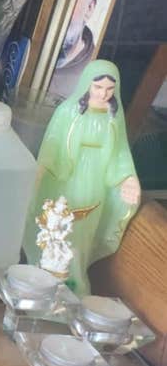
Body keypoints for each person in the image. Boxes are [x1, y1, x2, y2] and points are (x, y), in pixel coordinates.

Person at [25, 61, 140, 295]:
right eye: (98, 87)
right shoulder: (68, 111)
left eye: (109, 89)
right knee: (58, 227)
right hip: (65, 179)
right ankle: (43, 273)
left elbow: (120, 152)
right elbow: (53, 143)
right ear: (87, 84)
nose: (103, 94)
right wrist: (41, 169)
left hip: (96, 181)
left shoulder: (114, 116)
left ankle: (74, 279)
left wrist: (128, 178)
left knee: (83, 231)